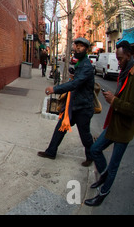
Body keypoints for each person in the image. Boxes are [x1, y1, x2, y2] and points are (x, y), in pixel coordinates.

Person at [84, 40, 134, 206]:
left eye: (121, 58)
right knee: (95, 149)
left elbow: (133, 109)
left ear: (129, 55)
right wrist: (113, 97)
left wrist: (113, 101)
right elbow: (122, 97)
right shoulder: (125, 71)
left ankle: (102, 194)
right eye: (117, 59)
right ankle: (104, 175)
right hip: (114, 124)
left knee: (114, 165)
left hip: (124, 129)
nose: (118, 62)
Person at [38, 37, 95, 166]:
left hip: (83, 108)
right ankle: (51, 152)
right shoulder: (80, 63)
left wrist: (55, 89)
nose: (78, 48)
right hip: (75, 105)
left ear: (86, 49)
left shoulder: (86, 65)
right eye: (77, 46)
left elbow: (75, 84)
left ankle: (91, 157)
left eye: (81, 46)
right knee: (60, 128)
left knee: (85, 135)